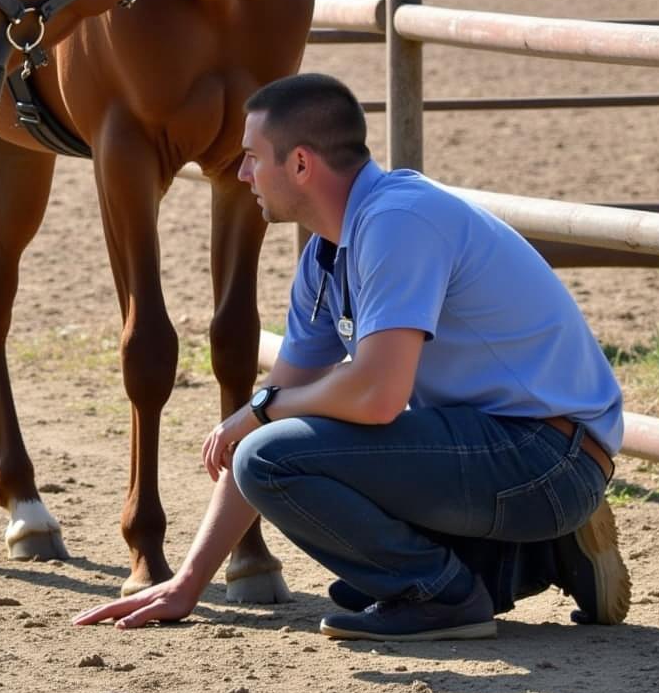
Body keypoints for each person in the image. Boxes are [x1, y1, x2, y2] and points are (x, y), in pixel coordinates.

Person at [74, 72, 630, 641]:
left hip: (549, 457)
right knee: (356, 578)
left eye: (251, 158)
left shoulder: (396, 221)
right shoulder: (326, 254)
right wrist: (187, 583)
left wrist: (268, 410)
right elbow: (275, 409)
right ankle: (543, 556)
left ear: (300, 165)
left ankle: (442, 598)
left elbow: (376, 396)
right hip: (510, 448)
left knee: (275, 459)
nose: (241, 174)